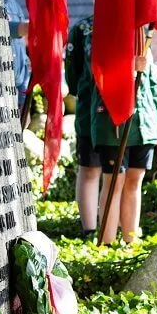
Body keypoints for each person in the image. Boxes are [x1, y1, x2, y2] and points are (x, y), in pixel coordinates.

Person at [86, 23, 157, 244]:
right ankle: (107, 241)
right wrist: (129, 65)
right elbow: (97, 71)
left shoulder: (143, 40)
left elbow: (152, 84)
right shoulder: (103, 35)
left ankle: (131, 239)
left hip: (143, 124)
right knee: (113, 181)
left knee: (134, 180)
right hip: (113, 125)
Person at [65, 17, 102, 236]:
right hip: (89, 109)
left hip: (123, 116)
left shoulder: (133, 23)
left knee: (119, 173)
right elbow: (73, 75)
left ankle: (114, 226)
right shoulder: (83, 29)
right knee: (90, 168)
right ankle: (89, 229)